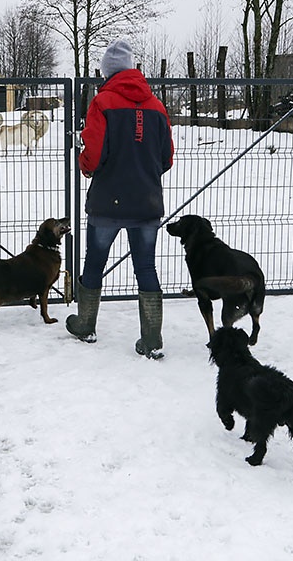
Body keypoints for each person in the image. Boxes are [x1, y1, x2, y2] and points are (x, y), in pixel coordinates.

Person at [66, 38, 174, 359]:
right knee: (146, 267)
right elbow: (166, 157)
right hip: (147, 204)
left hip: (107, 203)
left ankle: (86, 325)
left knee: (95, 262)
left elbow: (93, 154)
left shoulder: (103, 102)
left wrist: (85, 166)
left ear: (108, 72)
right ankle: (151, 339)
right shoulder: (156, 105)